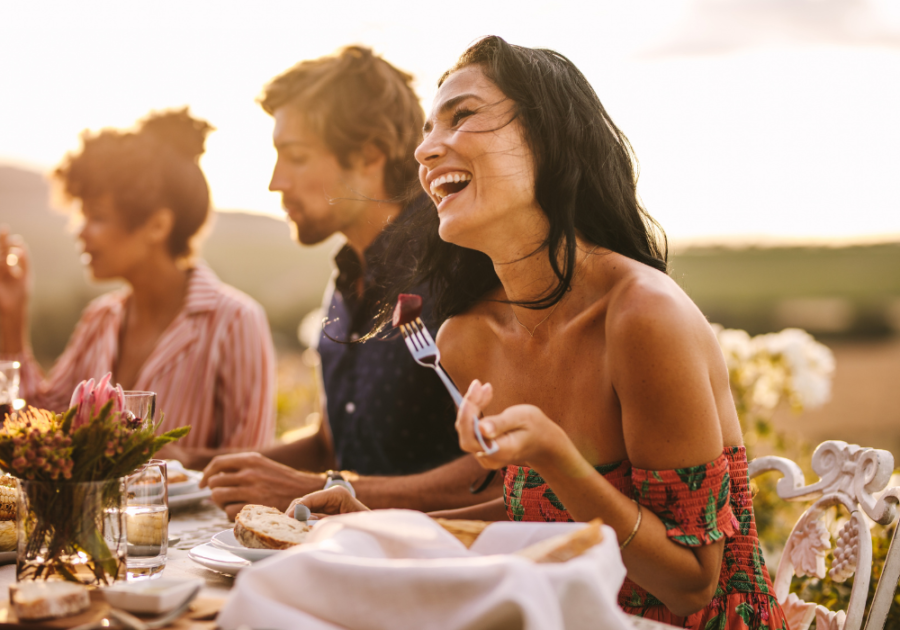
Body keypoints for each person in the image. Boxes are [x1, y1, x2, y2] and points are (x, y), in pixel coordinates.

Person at [295, 37, 788, 630]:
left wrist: (555, 456)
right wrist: (372, 515)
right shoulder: (467, 338)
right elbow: (538, 511)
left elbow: (689, 583)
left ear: (549, 137)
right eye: (427, 130)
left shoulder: (643, 317)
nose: (425, 150)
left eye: (463, 115)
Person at [199, 46, 502, 519]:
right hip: (346, 559)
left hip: (440, 568)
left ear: (369, 156)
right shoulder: (345, 279)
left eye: (295, 156)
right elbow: (330, 441)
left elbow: (504, 472)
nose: (276, 181)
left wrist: (324, 486)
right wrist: (204, 468)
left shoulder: (464, 268)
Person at [0, 109, 276, 467]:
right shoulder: (100, 317)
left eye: (97, 216)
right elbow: (44, 429)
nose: (79, 230)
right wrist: (12, 315)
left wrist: (181, 459)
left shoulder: (236, 320)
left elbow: (252, 468)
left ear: (157, 225)